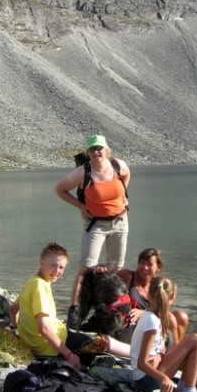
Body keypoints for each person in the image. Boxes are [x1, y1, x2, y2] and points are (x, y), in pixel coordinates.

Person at [8, 241, 130, 368]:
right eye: (53, 265)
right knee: (105, 341)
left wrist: (15, 327)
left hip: (44, 341)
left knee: (86, 339)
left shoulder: (32, 281)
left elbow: (12, 309)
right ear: (41, 262)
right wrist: (69, 355)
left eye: (61, 267)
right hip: (53, 346)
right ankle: (142, 355)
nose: (57, 271)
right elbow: (43, 328)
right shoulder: (40, 287)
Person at [54, 134, 130, 327]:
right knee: (86, 268)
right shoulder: (82, 173)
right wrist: (80, 206)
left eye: (99, 148)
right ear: (88, 153)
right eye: (92, 149)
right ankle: (74, 310)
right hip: (96, 224)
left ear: (107, 150)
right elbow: (60, 189)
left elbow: (126, 177)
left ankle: (112, 308)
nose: (96, 152)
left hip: (120, 222)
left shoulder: (119, 166)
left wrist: (124, 196)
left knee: (115, 267)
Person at [130, 275, 197, 392]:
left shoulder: (156, 317)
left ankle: (183, 387)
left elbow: (157, 349)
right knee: (196, 340)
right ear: (172, 297)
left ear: (148, 294)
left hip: (151, 373)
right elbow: (141, 362)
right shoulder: (151, 321)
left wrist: (159, 356)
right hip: (146, 380)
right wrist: (163, 378)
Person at [97, 248, 189, 345]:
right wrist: (100, 269)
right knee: (170, 317)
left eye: (149, 264)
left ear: (159, 267)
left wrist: (143, 313)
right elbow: (107, 278)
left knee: (181, 316)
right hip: (130, 325)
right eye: (141, 263)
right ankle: (175, 353)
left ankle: (177, 350)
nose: (144, 267)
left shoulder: (159, 284)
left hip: (150, 322)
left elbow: (162, 308)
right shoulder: (128, 276)